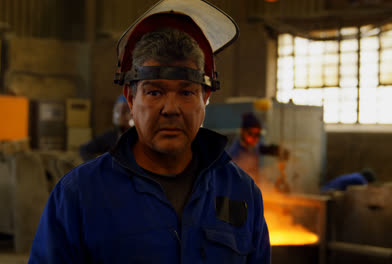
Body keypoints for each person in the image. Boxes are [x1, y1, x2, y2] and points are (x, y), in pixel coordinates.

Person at [28, 1, 270, 263]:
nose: (171, 108)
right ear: (130, 98)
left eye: (186, 92)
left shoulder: (241, 192)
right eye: (154, 92)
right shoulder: (79, 195)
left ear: (206, 98)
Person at [228, 112, 287, 185]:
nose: (254, 138)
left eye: (257, 134)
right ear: (243, 132)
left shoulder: (253, 147)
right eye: (250, 133)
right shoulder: (235, 153)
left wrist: (279, 151)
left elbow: (263, 149)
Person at [79, 95, 132, 161]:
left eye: (125, 111)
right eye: (118, 110)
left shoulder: (140, 138)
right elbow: (84, 149)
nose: (120, 115)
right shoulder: (110, 136)